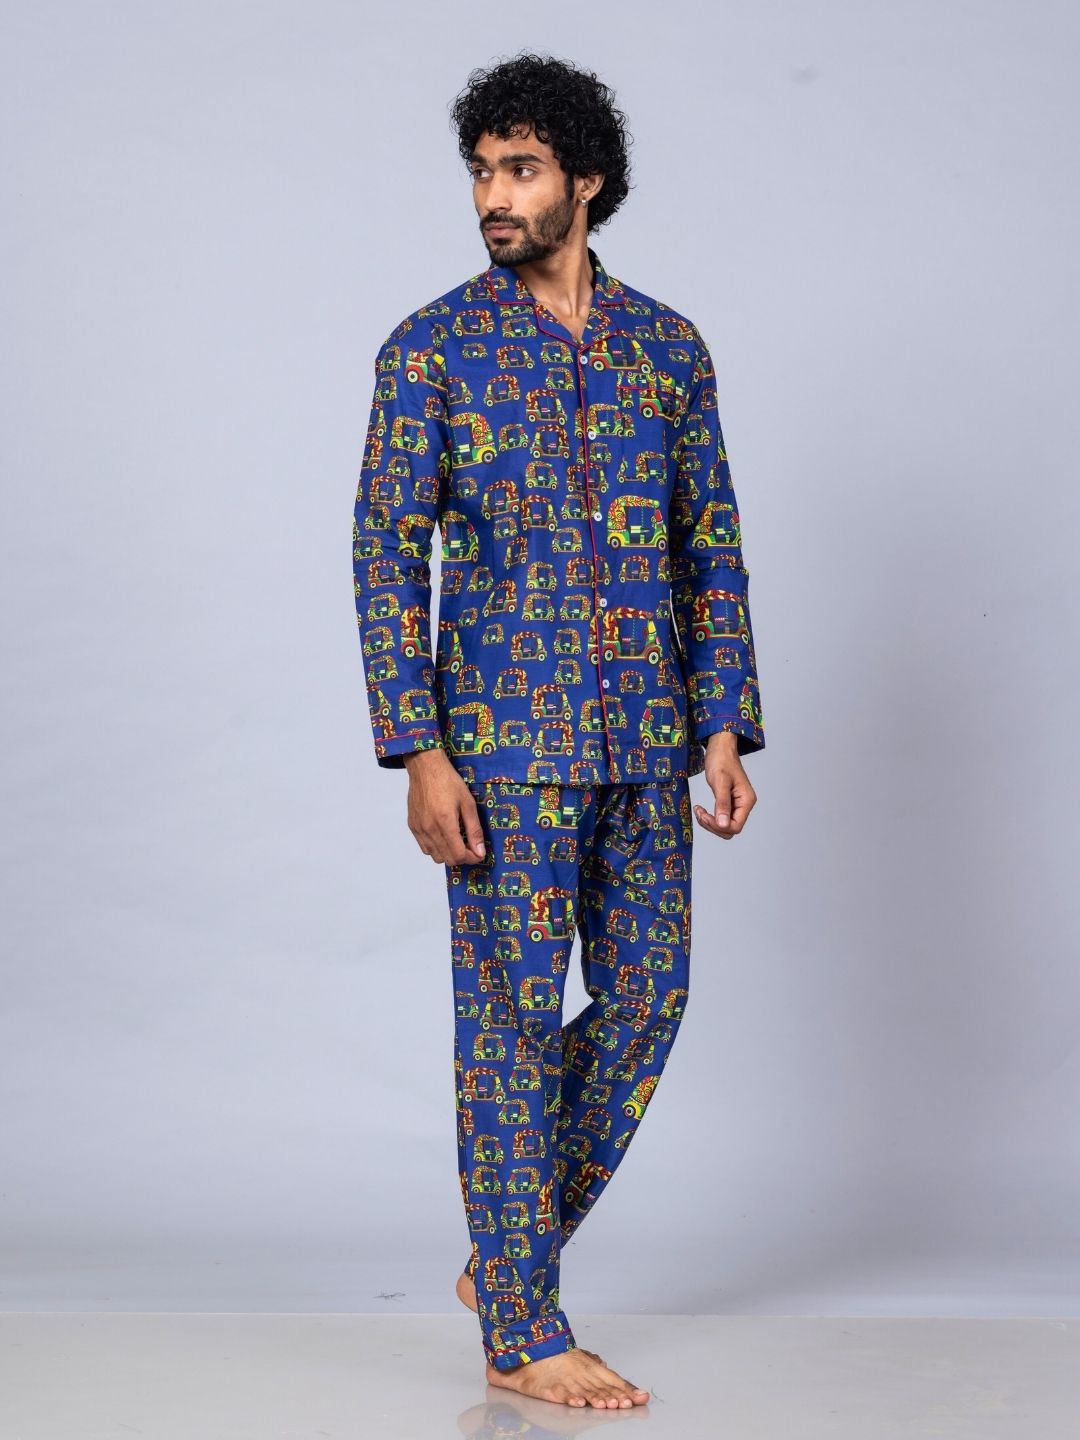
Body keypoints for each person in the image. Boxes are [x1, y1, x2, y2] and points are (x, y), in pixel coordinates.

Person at [351, 51, 765, 1410]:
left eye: (520, 169)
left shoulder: (669, 348)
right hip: (502, 751)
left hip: (649, 737)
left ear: (585, 180)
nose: (494, 195)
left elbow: (710, 546)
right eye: (482, 171)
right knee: (511, 1031)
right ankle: (524, 1328)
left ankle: (506, 1256)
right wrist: (419, 749)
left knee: (651, 998)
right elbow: (384, 555)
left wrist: (723, 726)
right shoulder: (431, 348)